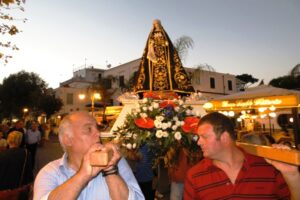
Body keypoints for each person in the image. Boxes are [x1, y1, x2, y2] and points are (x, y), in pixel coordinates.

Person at [184, 112, 300, 200]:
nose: (199, 142)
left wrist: (292, 175)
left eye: (204, 137)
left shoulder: (269, 166)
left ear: (224, 137)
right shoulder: (194, 176)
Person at [33, 111, 144, 200]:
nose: (98, 133)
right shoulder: (49, 172)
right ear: (68, 140)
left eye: (97, 128)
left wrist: (110, 170)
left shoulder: (117, 163)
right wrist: (83, 175)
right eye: (88, 129)